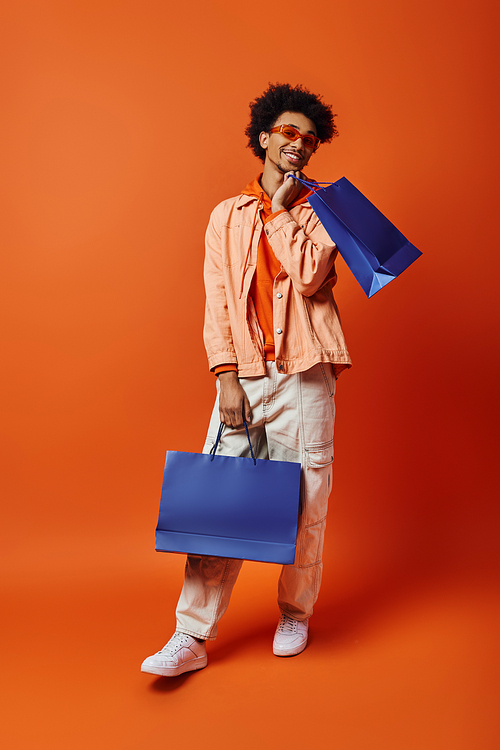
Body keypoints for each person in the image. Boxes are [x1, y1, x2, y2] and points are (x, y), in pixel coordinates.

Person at [141, 83, 351, 677]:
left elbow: (310, 276)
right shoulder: (224, 217)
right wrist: (225, 376)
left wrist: (282, 212)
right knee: (220, 504)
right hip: (247, 376)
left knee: (308, 499)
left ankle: (295, 612)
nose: (299, 144)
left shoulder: (325, 210)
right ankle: (190, 636)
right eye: (288, 132)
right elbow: (217, 304)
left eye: (309, 139)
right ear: (264, 137)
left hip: (306, 374)